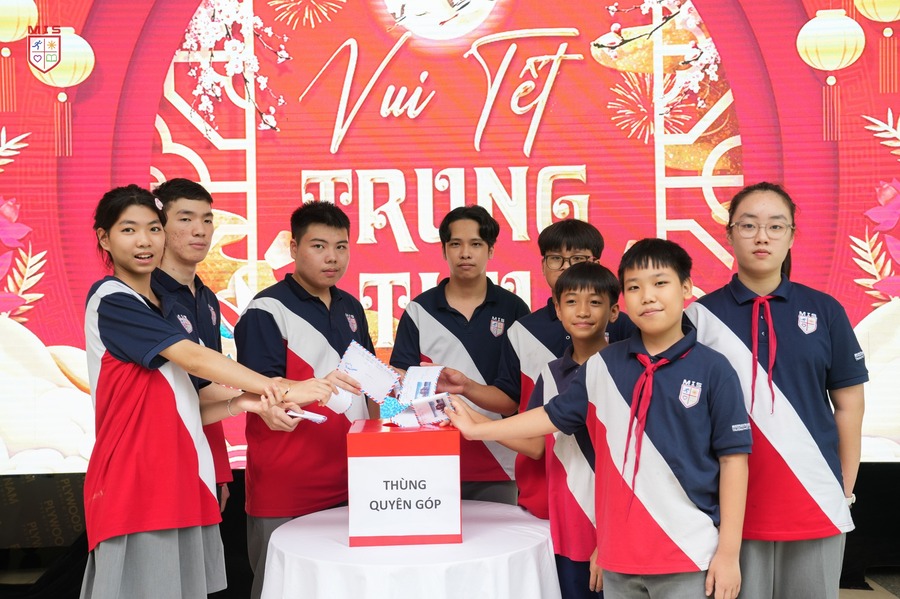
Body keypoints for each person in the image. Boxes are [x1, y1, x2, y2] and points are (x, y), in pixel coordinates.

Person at [445, 238, 752, 599]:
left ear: (686, 288)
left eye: (660, 283)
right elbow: (550, 416)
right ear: (624, 299)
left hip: (690, 555)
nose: (648, 296)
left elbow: (734, 461)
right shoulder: (603, 365)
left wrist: (728, 554)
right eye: (634, 287)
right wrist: (477, 428)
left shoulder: (714, 369)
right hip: (618, 560)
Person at [82, 185, 331, 598]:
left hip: (185, 477)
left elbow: (186, 402)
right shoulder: (113, 300)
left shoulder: (168, 306)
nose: (144, 241)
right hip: (137, 484)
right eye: (129, 230)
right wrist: (282, 387)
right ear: (104, 239)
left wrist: (243, 403)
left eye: (152, 229)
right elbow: (196, 360)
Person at [685, 182, 868, 599]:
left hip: (814, 497)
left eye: (775, 226)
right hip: (728, 507)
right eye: (748, 225)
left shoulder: (824, 310)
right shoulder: (699, 317)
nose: (762, 237)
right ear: (729, 234)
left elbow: (849, 404)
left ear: (792, 236)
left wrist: (843, 487)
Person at [436, 218, 635, 518]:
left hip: (611, 496)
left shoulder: (626, 337)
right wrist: (465, 394)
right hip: (544, 491)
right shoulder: (528, 339)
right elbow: (523, 419)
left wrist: (476, 427)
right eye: (556, 259)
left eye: (578, 259)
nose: (566, 267)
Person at [234, 200, 374, 599]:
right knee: (281, 589)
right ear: (293, 247)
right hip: (287, 485)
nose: (332, 257)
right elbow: (257, 390)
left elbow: (369, 385)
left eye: (341, 246)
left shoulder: (351, 307)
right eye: (319, 246)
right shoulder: (266, 310)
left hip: (351, 480)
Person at [390, 205, 530, 504]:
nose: (465, 253)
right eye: (456, 244)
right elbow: (399, 388)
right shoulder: (419, 310)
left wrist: (466, 387)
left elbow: (515, 399)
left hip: (500, 461)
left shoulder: (514, 309)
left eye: (476, 244)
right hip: (432, 460)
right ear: (444, 250)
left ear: (491, 250)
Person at [151, 178, 233, 511]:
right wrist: (275, 391)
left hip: (203, 455)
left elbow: (206, 387)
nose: (200, 230)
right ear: (159, 227)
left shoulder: (207, 298)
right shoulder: (145, 296)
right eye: (185, 219)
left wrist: (220, 469)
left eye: (207, 219)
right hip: (160, 460)